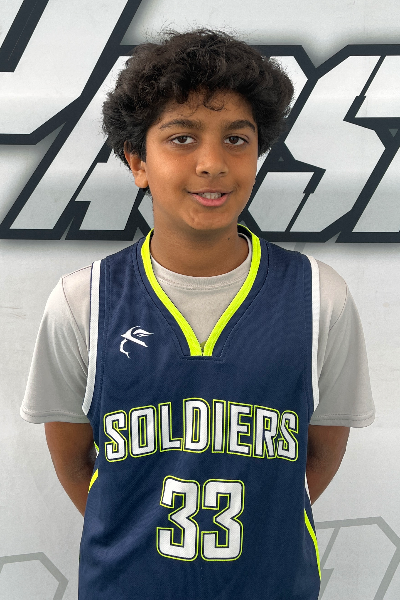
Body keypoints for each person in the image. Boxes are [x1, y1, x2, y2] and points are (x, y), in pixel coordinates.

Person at [20, 29, 374, 600]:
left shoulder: (319, 296)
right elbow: (75, 462)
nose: (212, 163)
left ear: (257, 154)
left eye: (236, 139)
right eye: (182, 138)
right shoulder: (82, 301)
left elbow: (320, 455)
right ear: (137, 160)